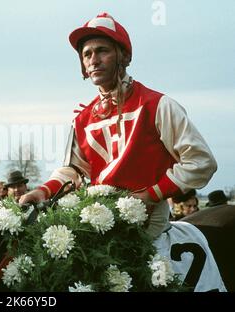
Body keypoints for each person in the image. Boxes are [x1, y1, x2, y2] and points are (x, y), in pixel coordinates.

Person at [20, 13, 217, 238]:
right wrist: (42, 191)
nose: (94, 60)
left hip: (150, 223)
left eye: (102, 50)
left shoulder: (158, 105)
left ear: (123, 56)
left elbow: (201, 162)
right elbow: (74, 171)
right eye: (87, 54)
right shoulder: (82, 119)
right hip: (97, 220)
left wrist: (151, 194)